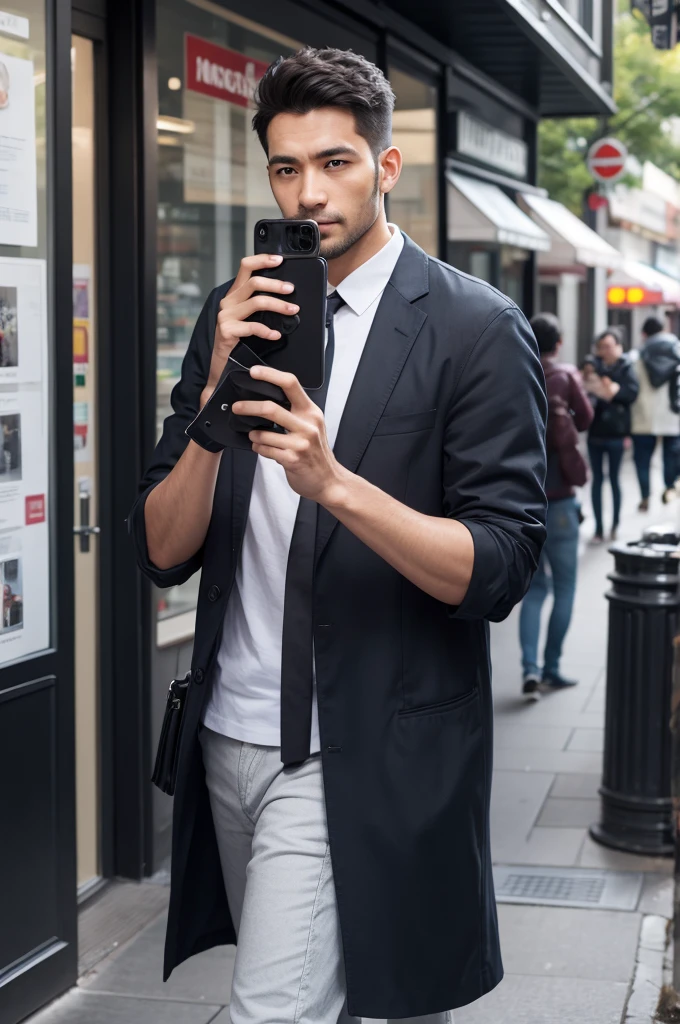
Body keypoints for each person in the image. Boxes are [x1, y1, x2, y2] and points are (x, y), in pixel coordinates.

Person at [129, 48, 547, 1024]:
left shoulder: (473, 327)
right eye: (285, 168)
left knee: (272, 1009)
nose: (308, 192)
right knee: (362, 1002)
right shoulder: (235, 317)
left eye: (334, 162)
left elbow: (498, 567)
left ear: (385, 168)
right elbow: (160, 545)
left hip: (359, 747)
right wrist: (214, 395)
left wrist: (333, 484)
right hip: (224, 739)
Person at [519, 313, 592, 701]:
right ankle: (551, 668)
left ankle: (528, 671)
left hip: (524, 501)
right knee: (564, 588)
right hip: (561, 498)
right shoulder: (564, 376)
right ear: (559, 344)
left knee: (534, 590)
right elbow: (588, 417)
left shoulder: (516, 368)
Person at [582, 327, 639, 543]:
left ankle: (614, 524)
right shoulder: (592, 365)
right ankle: (598, 528)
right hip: (595, 431)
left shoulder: (626, 367)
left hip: (617, 432)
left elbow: (632, 393)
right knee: (596, 481)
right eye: (602, 347)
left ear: (618, 346)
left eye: (609, 346)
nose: (605, 350)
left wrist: (612, 391)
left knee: (614, 480)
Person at [630, 315, 680, 510]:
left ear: (644, 334)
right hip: (672, 416)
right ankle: (669, 490)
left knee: (642, 461)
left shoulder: (637, 356)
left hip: (643, 416)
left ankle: (645, 497)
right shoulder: (678, 351)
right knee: (671, 458)